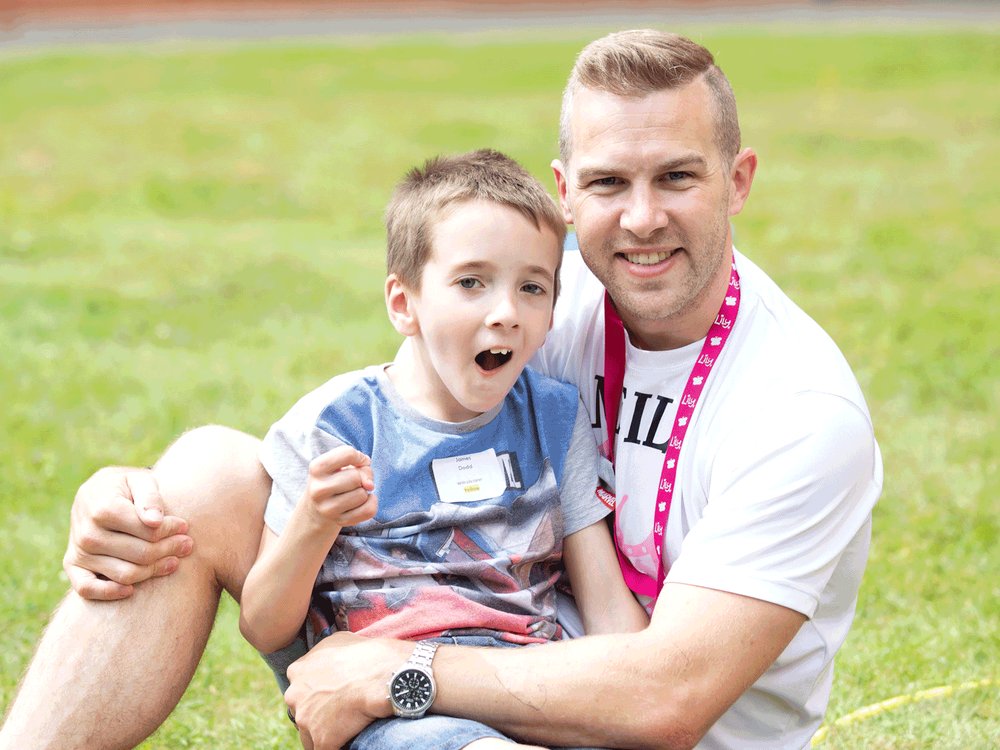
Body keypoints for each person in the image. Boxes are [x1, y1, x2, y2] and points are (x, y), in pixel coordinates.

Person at [1, 29, 882, 750]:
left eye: (678, 177)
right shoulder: (540, 295)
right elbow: (393, 416)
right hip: (467, 637)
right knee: (196, 482)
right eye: (610, 182)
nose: (642, 218)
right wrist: (116, 498)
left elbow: (668, 698)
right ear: (566, 193)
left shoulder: (800, 409)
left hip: (624, 722)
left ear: (738, 181)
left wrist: (397, 676)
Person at [239, 148, 647, 750]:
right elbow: (264, 624)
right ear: (404, 302)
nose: (506, 312)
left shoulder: (555, 418)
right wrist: (313, 522)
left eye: (532, 287)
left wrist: (641, 689)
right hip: (398, 713)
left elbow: (609, 611)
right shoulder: (337, 426)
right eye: (471, 283)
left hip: (528, 690)